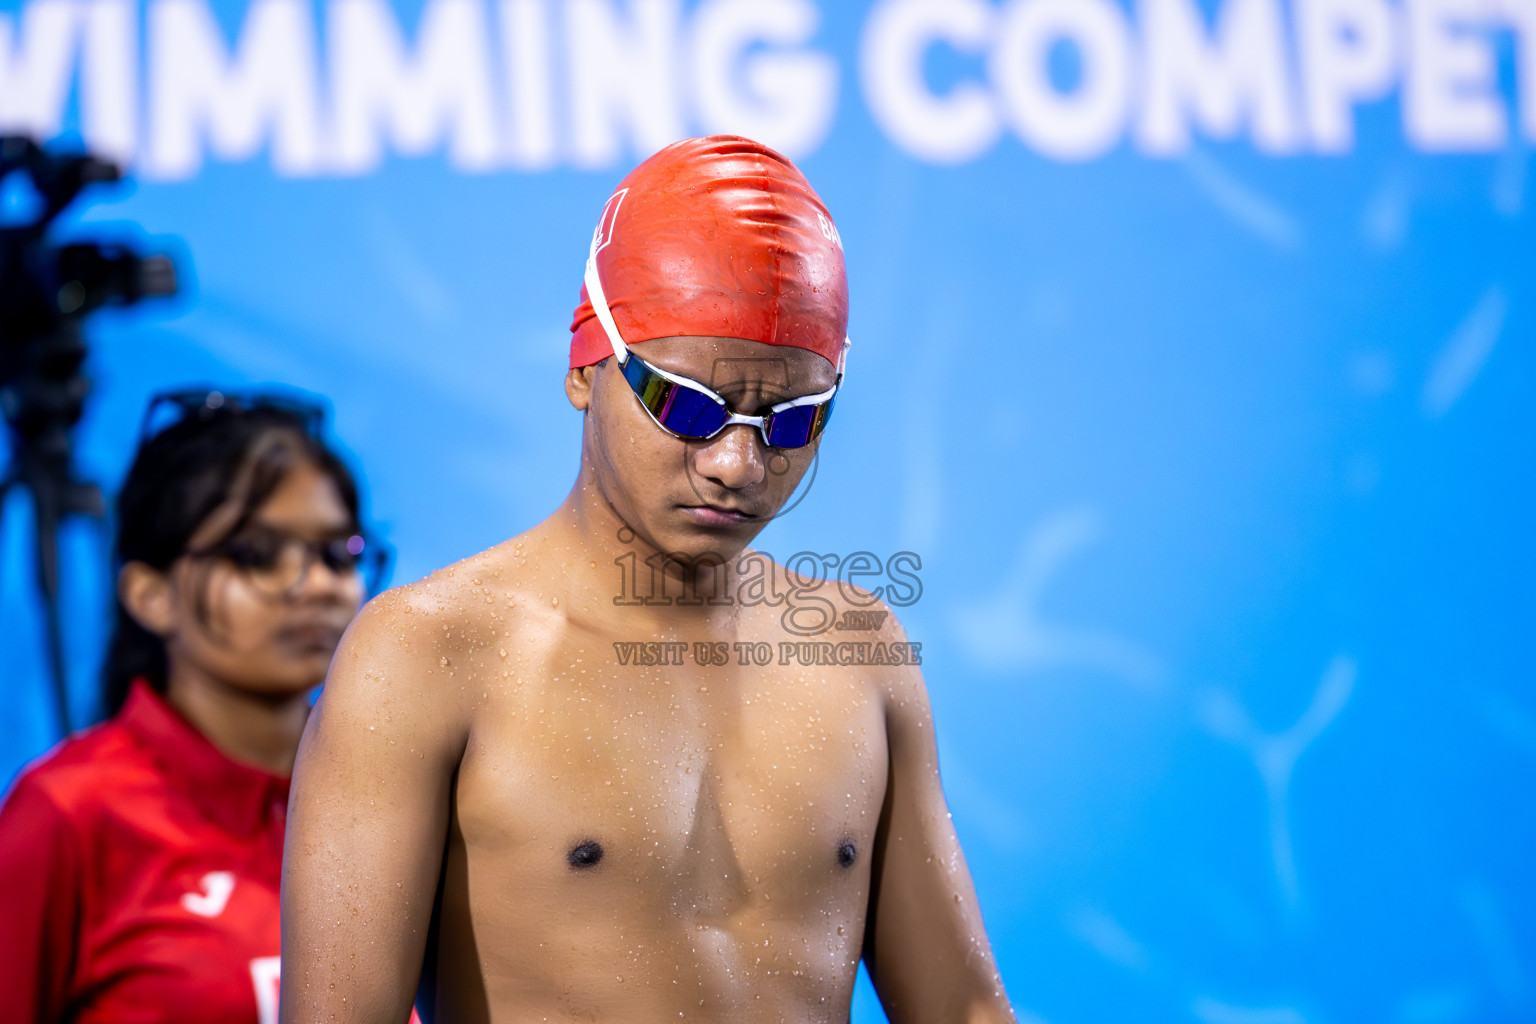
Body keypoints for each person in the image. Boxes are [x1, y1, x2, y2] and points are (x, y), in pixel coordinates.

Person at [281, 136, 1015, 1024]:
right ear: (585, 369)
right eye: (690, 406)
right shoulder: (427, 654)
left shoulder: (857, 649)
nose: (738, 465)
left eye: (790, 423)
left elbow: (965, 1010)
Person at [0, 390, 388, 1024]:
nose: (318, 585)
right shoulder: (69, 816)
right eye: (257, 555)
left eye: (335, 552)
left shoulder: (395, 812)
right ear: (150, 594)